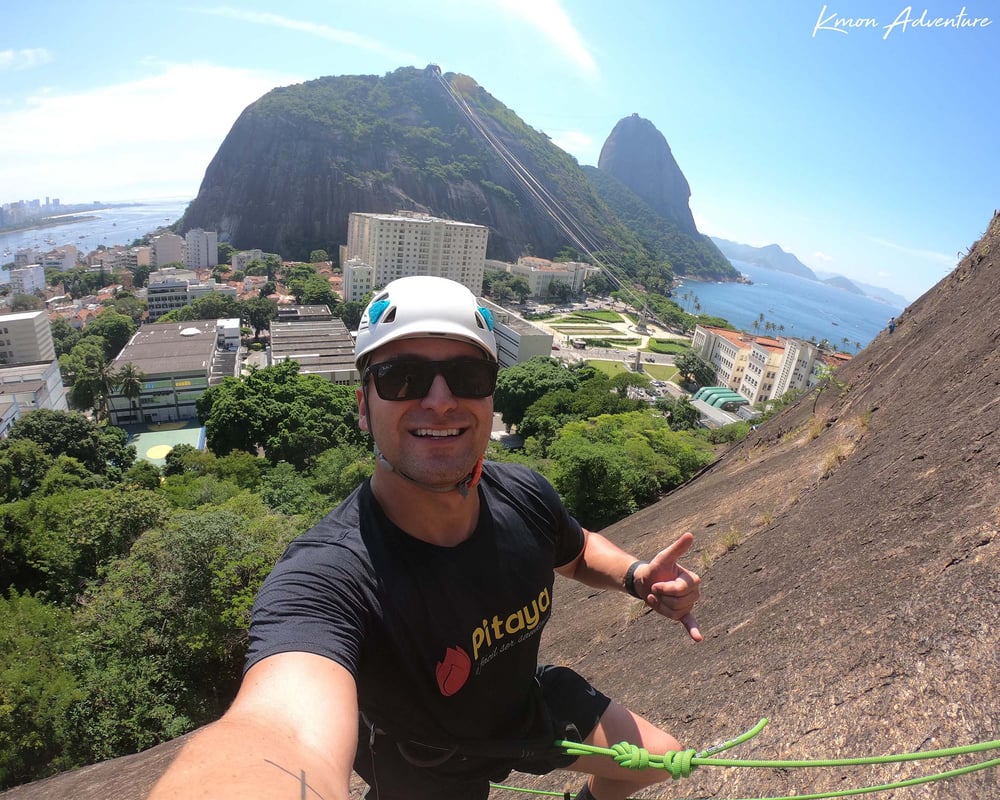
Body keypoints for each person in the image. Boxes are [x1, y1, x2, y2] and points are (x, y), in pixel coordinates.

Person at [150, 276, 702, 800]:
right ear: (364, 406)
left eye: (468, 375)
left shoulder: (524, 494)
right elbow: (281, 732)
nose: (440, 400)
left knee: (660, 759)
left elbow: (576, 550)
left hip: (520, 707)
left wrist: (635, 576)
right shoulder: (331, 577)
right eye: (403, 377)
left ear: (489, 398)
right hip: (426, 761)